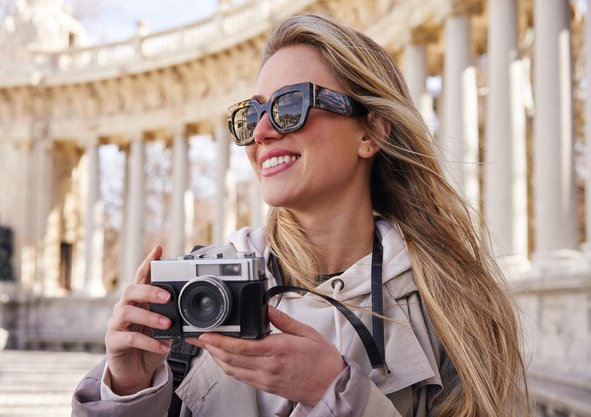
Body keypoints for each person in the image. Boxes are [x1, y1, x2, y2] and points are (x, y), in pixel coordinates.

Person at [72, 14, 531, 417]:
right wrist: (127, 391)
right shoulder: (197, 287)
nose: (263, 133)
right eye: (250, 117)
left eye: (290, 107)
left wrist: (334, 393)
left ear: (370, 132)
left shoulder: (455, 305)